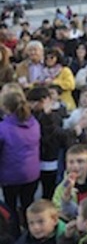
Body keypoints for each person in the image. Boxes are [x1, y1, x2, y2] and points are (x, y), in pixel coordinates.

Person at [0, 88, 41, 225]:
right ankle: (29, 230)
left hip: (11, 176)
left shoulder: (3, 128)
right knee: (27, 205)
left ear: (5, 108)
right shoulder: (34, 123)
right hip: (32, 173)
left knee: (10, 208)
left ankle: (14, 233)